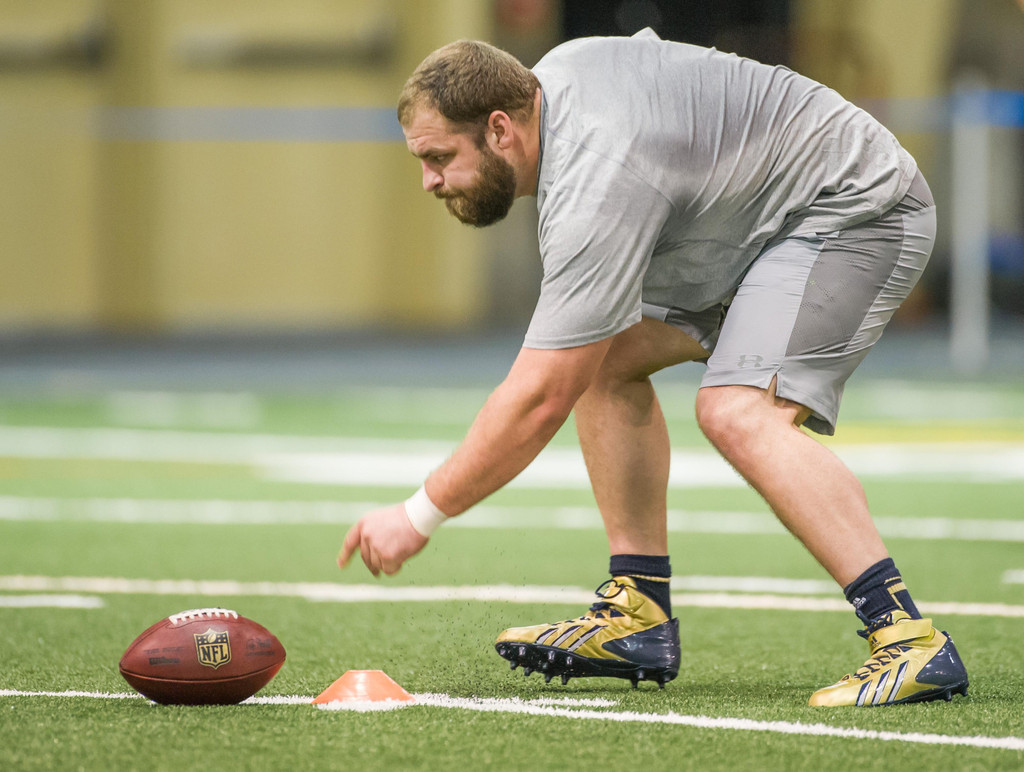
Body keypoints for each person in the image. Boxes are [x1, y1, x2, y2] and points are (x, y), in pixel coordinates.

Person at [338, 29, 969, 706]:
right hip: (749, 228)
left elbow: (537, 399)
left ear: (500, 128)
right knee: (602, 360)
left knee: (735, 411)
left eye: (438, 157)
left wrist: (419, 513)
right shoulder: (553, 88)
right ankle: (637, 611)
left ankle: (907, 637)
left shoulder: (595, 169)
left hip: (855, 208)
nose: (430, 180)